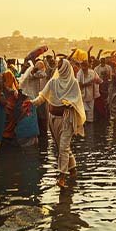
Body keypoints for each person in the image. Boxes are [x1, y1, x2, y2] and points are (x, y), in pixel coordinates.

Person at [31, 59, 86, 187]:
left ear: (66, 68)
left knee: (63, 147)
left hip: (67, 119)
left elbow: (77, 101)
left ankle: (61, 176)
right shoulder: (53, 82)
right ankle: (73, 170)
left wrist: (70, 103)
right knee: (62, 147)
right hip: (53, 119)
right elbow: (42, 97)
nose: (59, 68)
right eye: (58, 66)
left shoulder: (73, 83)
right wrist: (31, 103)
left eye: (61, 66)